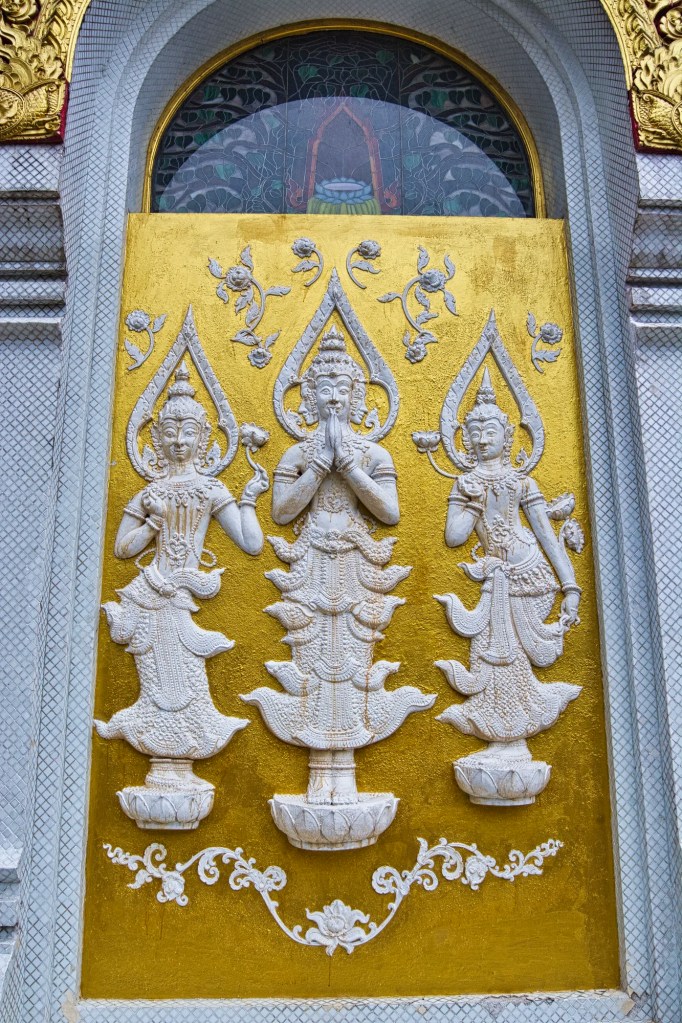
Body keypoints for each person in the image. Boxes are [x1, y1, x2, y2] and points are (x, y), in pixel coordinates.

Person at [243, 327, 433, 792]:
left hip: (356, 563)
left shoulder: (372, 453)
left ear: (356, 397)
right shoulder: (297, 453)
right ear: (309, 396)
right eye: (323, 389)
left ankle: (347, 748)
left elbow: (389, 514)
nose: (333, 398)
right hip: (309, 564)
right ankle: (317, 746)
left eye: (342, 390)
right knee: (309, 652)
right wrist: (318, 467)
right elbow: (283, 511)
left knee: (353, 653)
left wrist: (347, 466)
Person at [95, 360, 268, 759]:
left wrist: (249, 498)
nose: (178, 441)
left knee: (188, 673)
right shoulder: (150, 492)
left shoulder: (210, 489)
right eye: (170, 432)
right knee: (153, 675)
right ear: (155, 437)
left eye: (188, 433)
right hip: (151, 593)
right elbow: (123, 549)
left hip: (186, 591)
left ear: (204, 437)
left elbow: (250, 544)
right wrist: (153, 523)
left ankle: (186, 738)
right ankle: (154, 735)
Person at [436, 367, 581, 744]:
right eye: (475, 433)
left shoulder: (521, 482)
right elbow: (454, 538)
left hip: (530, 576)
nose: (483, 440)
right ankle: (503, 723)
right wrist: (472, 500)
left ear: (507, 435)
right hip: (495, 577)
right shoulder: (464, 483)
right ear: (465, 439)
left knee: (514, 653)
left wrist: (571, 587)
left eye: (491, 432)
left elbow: (546, 536)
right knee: (491, 653)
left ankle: (522, 717)